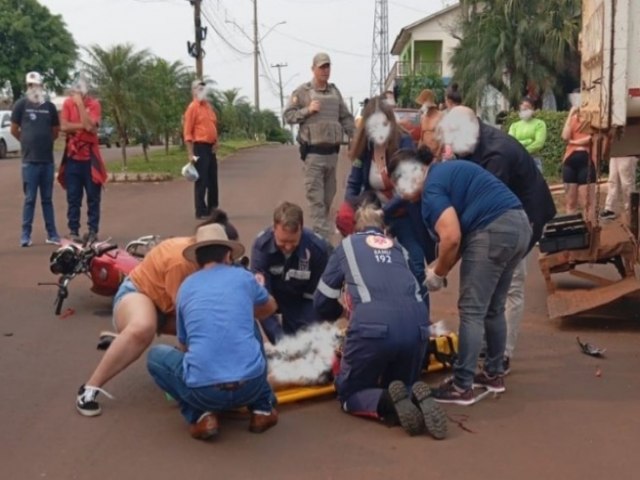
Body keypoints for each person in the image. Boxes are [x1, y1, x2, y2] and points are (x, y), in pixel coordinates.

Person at [388, 150, 532, 405]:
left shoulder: (432, 189)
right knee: (494, 308)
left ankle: (462, 385)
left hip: (493, 230)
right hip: (518, 226)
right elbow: (458, 244)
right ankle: (493, 374)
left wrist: (438, 273)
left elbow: (452, 237)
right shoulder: (446, 173)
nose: (400, 194)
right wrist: (439, 268)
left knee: (472, 311)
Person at [76, 210, 239, 417]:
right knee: (143, 328)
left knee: (212, 326)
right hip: (138, 294)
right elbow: (185, 315)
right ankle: (89, 389)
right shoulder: (180, 261)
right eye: (228, 256)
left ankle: (130, 342)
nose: (229, 261)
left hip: (165, 307)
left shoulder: (213, 261)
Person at [437, 106, 556, 372]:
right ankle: (486, 348)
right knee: (489, 287)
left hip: (525, 216)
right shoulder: (470, 143)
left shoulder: (496, 154)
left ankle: (502, 355)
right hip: (505, 214)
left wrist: (445, 259)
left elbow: (483, 210)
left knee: (509, 284)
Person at [314, 204, 447, 438]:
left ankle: (387, 402)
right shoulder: (400, 249)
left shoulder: (347, 246)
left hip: (372, 327)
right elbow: (418, 290)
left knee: (350, 392)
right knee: (399, 381)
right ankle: (411, 393)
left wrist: (339, 315)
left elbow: (322, 300)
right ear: (383, 229)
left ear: (355, 228)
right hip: (417, 327)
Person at [147, 223, 279, 440]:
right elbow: (271, 307)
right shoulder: (243, 277)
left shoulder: (185, 288)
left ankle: (201, 415)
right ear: (228, 255)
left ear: (197, 259)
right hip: (252, 385)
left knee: (155, 357)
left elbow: (184, 345)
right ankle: (262, 409)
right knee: (250, 323)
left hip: (205, 391)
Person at [342, 95, 435, 295]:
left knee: (415, 266)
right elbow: (353, 184)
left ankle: (420, 321)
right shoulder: (363, 148)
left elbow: (408, 187)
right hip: (375, 218)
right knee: (373, 271)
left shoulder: (404, 141)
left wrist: (384, 212)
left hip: (404, 214)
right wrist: (350, 212)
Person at [283, 52, 356, 242]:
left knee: (327, 200)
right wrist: (308, 110)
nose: (325, 71)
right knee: (316, 203)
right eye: (321, 67)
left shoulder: (335, 92)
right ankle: (323, 246)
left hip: (332, 156)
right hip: (314, 156)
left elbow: (346, 118)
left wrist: (355, 137)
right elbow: (288, 116)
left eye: (327, 67)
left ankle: (320, 239)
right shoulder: (303, 92)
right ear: (313, 69)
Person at [251, 201, 330, 344]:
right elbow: (261, 300)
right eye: (283, 241)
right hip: (272, 297)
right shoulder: (261, 247)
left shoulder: (317, 249)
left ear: (301, 228)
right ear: (274, 229)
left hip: (302, 298)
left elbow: (316, 297)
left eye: (293, 241)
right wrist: (280, 340)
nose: (287, 247)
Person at [10, 71, 61, 247]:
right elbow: (14, 130)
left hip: (46, 161)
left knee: (47, 199)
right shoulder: (20, 105)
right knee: (30, 199)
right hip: (29, 161)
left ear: (41, 86)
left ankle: (52, 234)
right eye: (31, 85)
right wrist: (26, 142)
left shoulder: (49, 106)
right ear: (27, 87)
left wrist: (44, 142)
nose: (34, 88)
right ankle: (26, 235)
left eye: (37, 85)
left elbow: (55, 131)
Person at [58, 73, 108, 244]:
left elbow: (91, 127)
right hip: (73, 158)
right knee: (73, 197)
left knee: (93, 197)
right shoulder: (66, 104)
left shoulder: (94, 105)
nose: (78, 90)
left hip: (90, 159)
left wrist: (80, 105)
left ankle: (93, 230)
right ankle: (73, 230)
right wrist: (82, 126)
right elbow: (64, 126)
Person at [183, 79, 219, 219]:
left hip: (211, 148)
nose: (202, 91)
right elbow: (187, 132)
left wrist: (216, 141)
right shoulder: (193, 108)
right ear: (193, 91)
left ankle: (213, 208)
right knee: (201, 180)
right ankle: (200, 211)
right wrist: (190, 153)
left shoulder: (208, 107)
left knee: (212, 179)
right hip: (200, 147)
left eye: (204, 89)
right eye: (199, 89)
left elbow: (214, 125)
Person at [561, 106, 596, 223]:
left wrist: (572, 142)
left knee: (587, 202)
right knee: (570, 202)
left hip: (586, 161)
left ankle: (590, 232)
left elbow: (590, 138)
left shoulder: (593, 120)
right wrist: (570, 114)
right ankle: (571, 230)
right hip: (570, 162)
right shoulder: (573, 119)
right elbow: (565, 136)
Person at [508, 97, 547, 172]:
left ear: (533, 108)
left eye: (527, 108)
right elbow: (511, 142)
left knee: (536, 183)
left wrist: (523, 149)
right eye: (523, 109)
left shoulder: (539, 124)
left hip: (534, 159)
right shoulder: (514, 126)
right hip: (518, 160)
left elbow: (539, 143)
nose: (525, 111)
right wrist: (529, 141)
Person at [416, 89, 443, 158]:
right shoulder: (423, 118)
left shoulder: (440, 116)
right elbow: (421, 138)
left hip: (436, 154)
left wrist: (438, 155)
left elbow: (443, 138)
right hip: (425, 153)